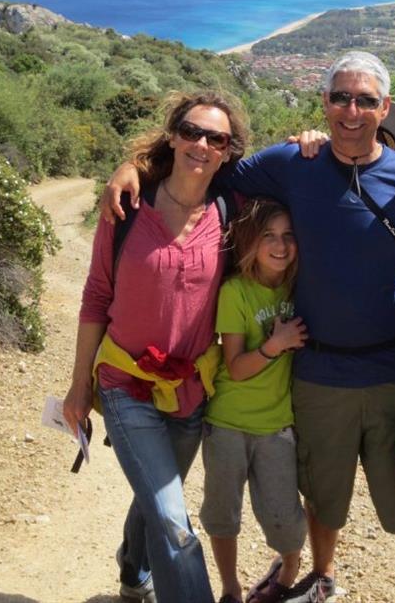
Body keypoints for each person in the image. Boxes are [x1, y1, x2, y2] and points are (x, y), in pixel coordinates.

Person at [102, 51, 395, 603]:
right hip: (315, 369)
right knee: (322, 494)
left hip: (388, 367)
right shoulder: (294, 163)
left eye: (364, 100)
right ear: (324, 103)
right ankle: (319, 577)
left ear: (385, 108)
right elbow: (204, 165)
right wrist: (136, 167)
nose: (350, 110)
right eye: (340, 97)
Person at [64, 91, 250, 603]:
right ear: (172, 135)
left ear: (229, 151)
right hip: (126, 386)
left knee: (156, 496)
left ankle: (132, 570)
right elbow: (96, 297)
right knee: (174, 520)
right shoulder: (126, 207)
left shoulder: (230, 211)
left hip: (190, 389)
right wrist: (79, 387)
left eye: (216, 138)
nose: (201, 144)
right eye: (191, 131)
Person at [201, 197, 308, 603]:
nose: (280, 246)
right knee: (223, 513)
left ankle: (286, 576)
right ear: (251, 242)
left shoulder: (299, 287)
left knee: (285, 519)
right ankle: (229, 588)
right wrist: (275, 345)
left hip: (277, 425)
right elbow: (237, 365)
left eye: (287, 236)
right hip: (228, 421)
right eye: (269, 237)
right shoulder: (235, 292)